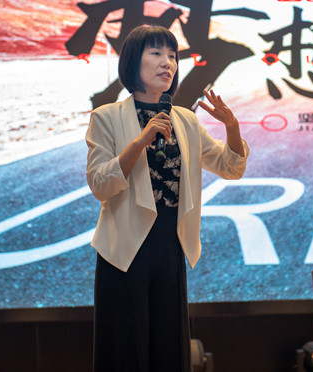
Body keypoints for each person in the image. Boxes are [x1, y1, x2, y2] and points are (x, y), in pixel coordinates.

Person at [85, 25, 249, 371]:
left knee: (169, 349)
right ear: (134, 61)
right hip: (124, 249)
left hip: (170, 245)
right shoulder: (106, 116)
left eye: (172, 56)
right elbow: (100, 184)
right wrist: (139, 142)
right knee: (125, 351)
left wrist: (231, 127)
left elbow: (230, 167)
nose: (168, 63)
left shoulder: (185, 119)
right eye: (156, 53)